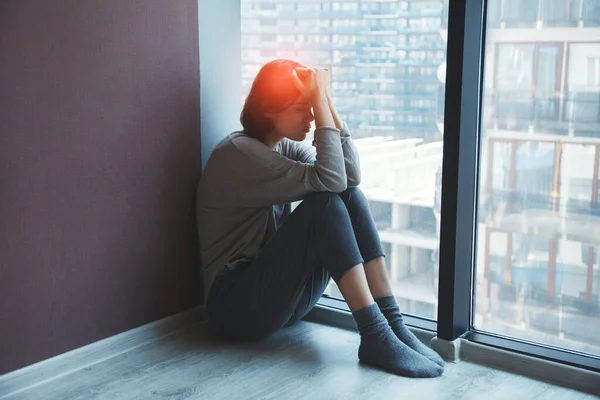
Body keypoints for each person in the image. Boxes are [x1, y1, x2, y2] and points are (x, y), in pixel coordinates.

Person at [196, 59, 444, 378]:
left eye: (313, 108)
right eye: (302, 108)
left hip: (280, 302)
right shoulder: (238, 154)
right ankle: (375, 334)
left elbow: (348, 178)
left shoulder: (284, 146)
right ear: (270, 109)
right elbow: (330, 180)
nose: (311, 117)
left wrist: (326, 101)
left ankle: (392, 324)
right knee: (324, 205)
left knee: (347, 196)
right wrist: (321, 101)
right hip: (234, 308)